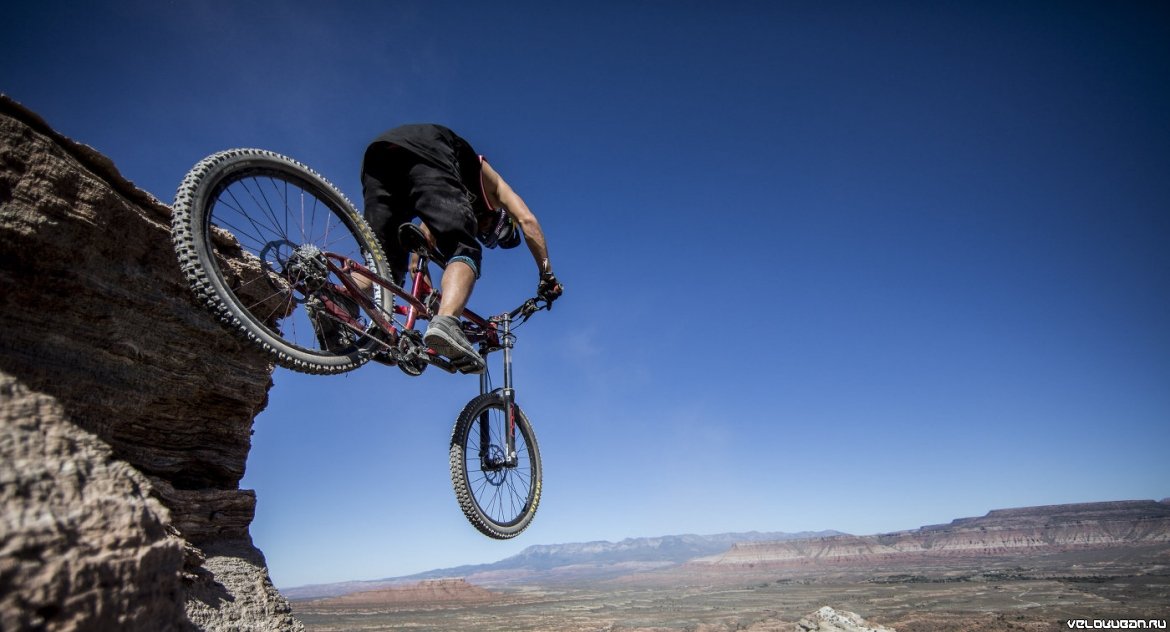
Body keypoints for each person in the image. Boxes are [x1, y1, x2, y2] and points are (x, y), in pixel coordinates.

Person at [360, 124, 561, 373]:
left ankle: (334, 303)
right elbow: (528, 221)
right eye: (494, 233)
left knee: (384, 268)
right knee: (465, 249)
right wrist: (547, 275)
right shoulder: (494, 188)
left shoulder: (444, 201)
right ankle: (447, 324)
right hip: (425, 148)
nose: (484, 233)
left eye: (489, 239)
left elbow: (417, 256)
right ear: (501, 216)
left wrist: (426, 293)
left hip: (379, 159)